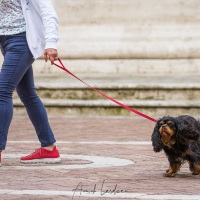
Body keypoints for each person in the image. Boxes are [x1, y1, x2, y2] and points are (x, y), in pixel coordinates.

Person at [0, 0, 61, 163]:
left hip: (21, 41)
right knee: (27, 94)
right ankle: (49, 148)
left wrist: (51, 43)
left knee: (2, 92)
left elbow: (47, 11)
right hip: (5, 41)